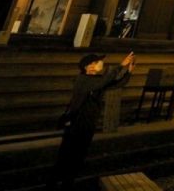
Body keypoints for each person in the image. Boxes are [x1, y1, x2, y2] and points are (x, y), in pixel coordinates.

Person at [49, 51, 135, 190]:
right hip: (76, 124)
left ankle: (67, 183)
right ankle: (53, 183)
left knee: (78, 156)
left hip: (88, 124)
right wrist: (120, 65)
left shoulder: (96, 81)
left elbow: (116, 84)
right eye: (96, 62)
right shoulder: (82, 80)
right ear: (87, 67)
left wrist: (128, 72)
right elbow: (105, 81)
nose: (100, 64)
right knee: (66, 156)